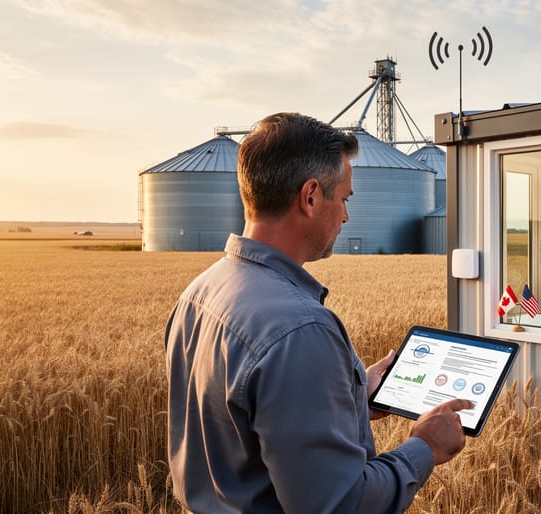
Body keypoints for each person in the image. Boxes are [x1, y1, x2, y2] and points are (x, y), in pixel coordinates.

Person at [165, 112, 473, 513]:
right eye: (344, 198)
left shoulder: (198, 293)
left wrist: (353, 397)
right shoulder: (300, 329)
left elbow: (248, 426)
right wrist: (425, 448)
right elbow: (340, 504)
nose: (346, 215)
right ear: (310, 197)